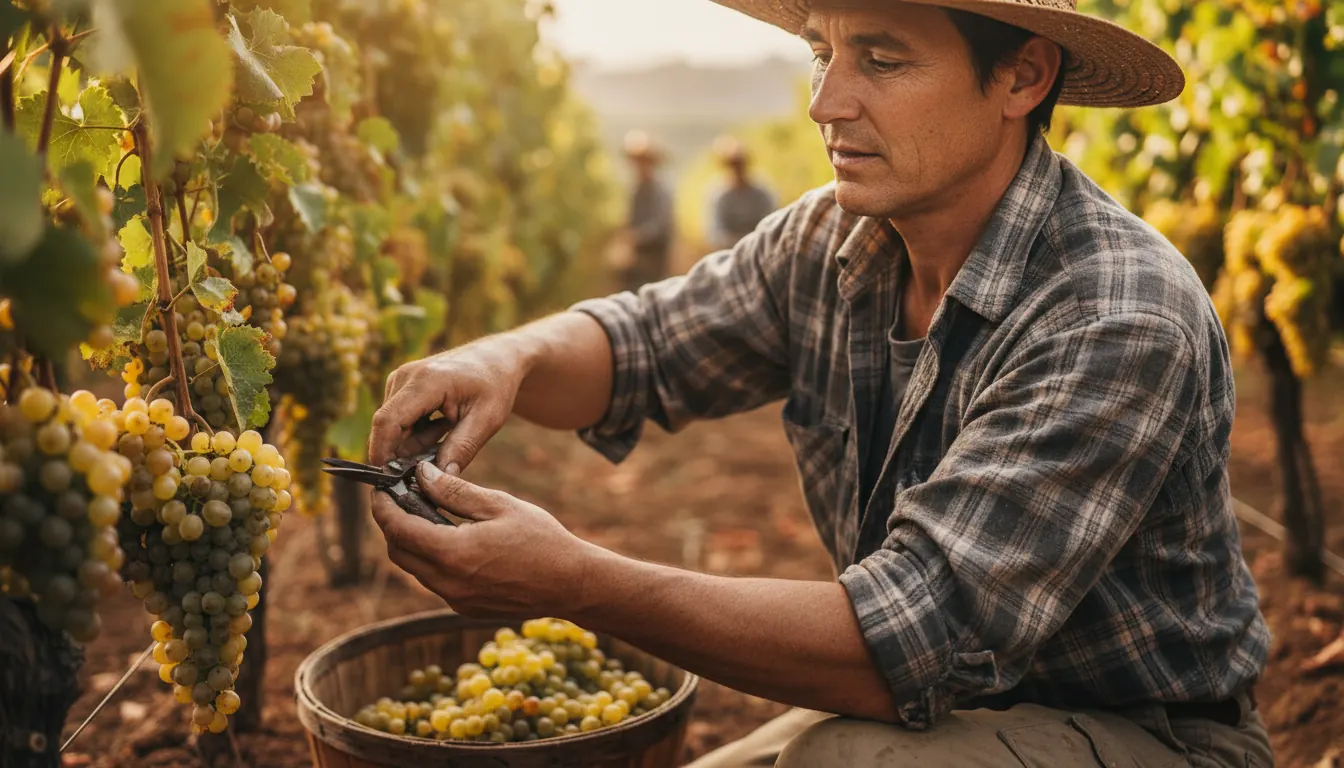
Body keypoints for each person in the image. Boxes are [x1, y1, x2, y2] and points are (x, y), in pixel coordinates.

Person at [366, 0, 1273, 765]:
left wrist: (577, 582)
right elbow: (642, 343)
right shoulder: (831, 239)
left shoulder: (1112, 312)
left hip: (1148, 734)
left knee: (831, 759)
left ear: (1023, 78)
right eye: (821, 53)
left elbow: (907, 644)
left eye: (880, 60)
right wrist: (503, 361)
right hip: (953, 704)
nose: (826, 103)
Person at [611, 130, 676, 291]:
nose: (638, 165)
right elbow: (630, 219)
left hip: (655, 253)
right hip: (638, 252)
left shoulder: (660, 189)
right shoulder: (635, 189)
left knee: (649, 291)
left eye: (642, 161)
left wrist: (635, 238)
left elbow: (660, 225)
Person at [705, 135, 778, 251]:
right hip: (729, 254)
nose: (737, 168)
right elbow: (715, 233)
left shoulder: (762, 192)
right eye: (732, 164)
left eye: (739, 163)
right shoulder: (719, 195)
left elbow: (772, 223)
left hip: (759, 250)